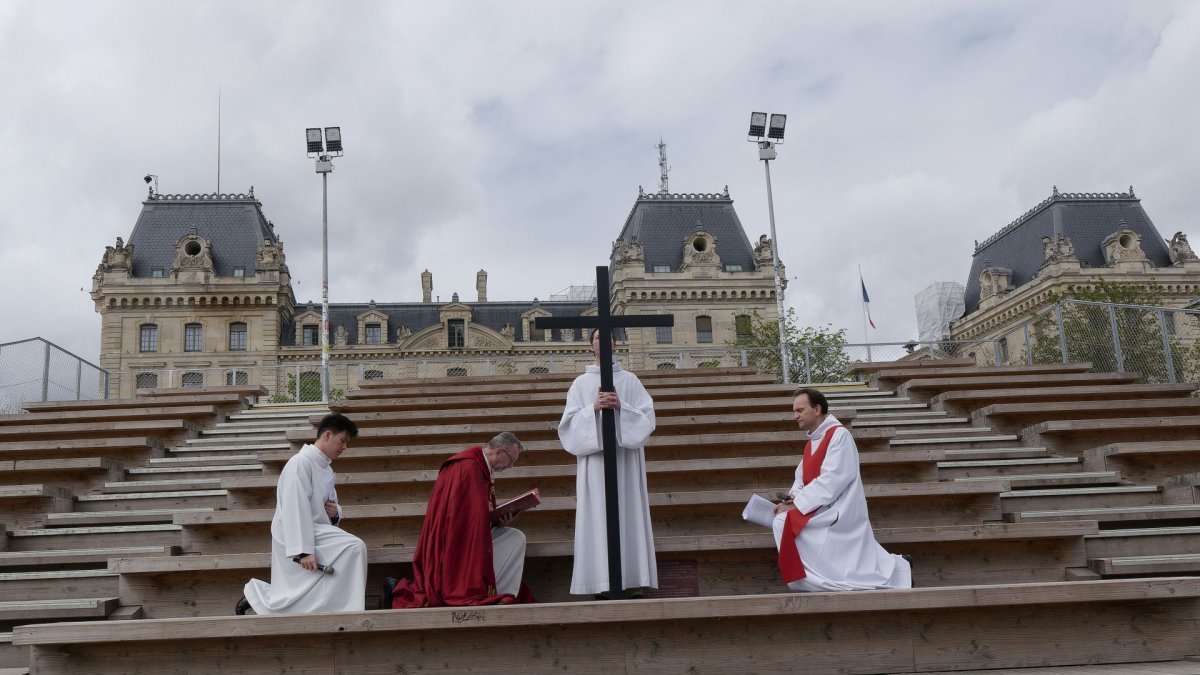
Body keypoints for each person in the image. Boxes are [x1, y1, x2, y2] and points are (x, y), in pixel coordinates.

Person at [771, 387, 912, 592]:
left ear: (817, 409)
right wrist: (790, 499)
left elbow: (833, 480)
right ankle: (816, 579)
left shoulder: (839, 436)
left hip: (837, 508)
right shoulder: (812, 443)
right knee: (781, 519)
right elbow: (801, 480)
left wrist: (796, 505)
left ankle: (816, 581)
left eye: (800, 410)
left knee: (783, 522)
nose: (795, 416)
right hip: (819, 504)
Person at [557, 328, 657, 598]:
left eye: (609, 338)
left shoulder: (631, 380)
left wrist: (621, 405)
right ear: (591, 346)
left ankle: (634, 580)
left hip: (625, 460)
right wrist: (593, 409)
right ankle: (601, 582)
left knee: (628, 513)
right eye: (598, 337)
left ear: (616, 345)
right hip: (596, 463)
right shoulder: (580, 384)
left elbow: (647, 420)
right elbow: (567, 427)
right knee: (598, 515)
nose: (604, 342)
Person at [237, 413, 367, 614]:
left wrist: (335, 513)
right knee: (354, 547)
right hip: (296, 534)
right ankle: (343, 610)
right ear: (327, 435)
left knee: (354, 549)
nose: (344, 447)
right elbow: (293, 507)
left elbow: (329, 505)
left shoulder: (324, 467)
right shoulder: (301, 463)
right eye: (342, 441)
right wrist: (303, 551)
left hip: (315, 530)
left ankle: (338, 609)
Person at [385, 432, 533, 607]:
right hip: (454, 540)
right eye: (511, 461)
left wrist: (499, 519)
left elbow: (474, 514)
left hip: (468, 534)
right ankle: (493, 594)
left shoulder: (478, 467)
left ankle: (500, 593)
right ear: (500, 452)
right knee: (513, 539)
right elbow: (463, 517)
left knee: (515, 538)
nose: (511, 466)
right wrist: (491, 517)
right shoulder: (468, 467)